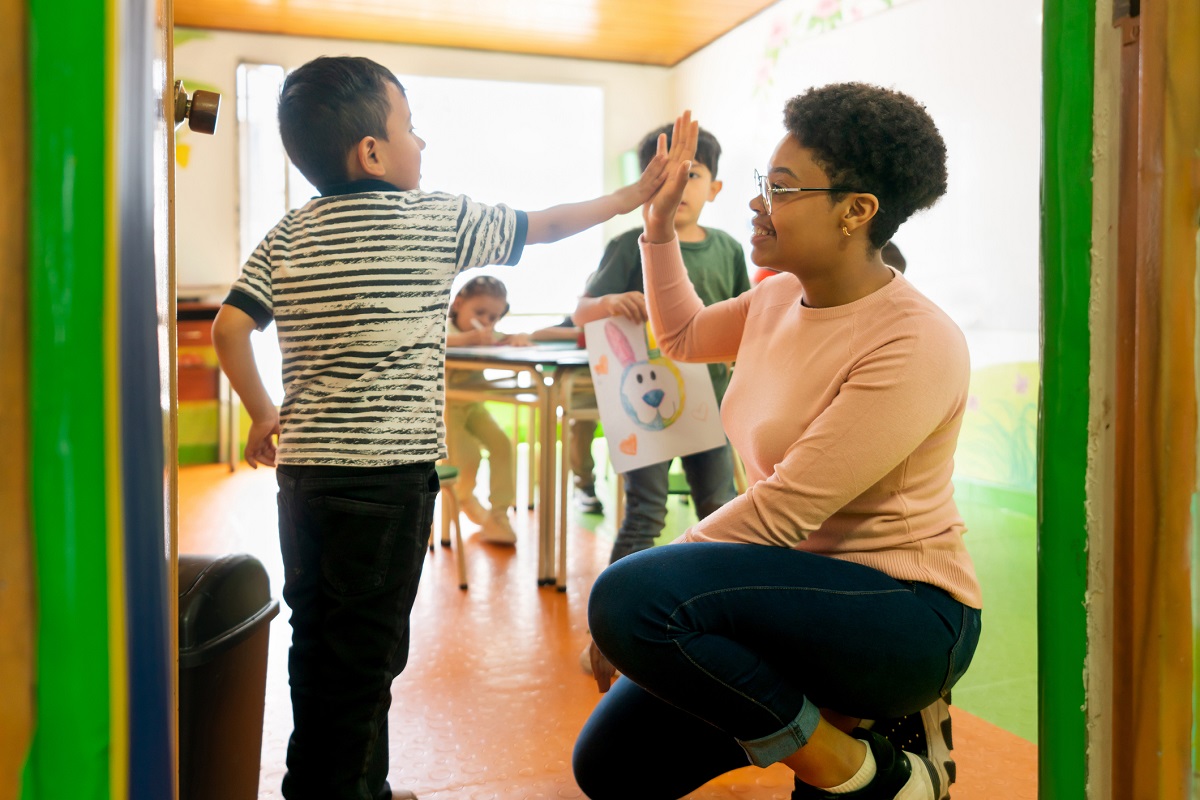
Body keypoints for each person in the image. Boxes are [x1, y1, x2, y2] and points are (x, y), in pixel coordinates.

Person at [211, 55, 671, 800]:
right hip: (387, 483)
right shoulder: (434, 219)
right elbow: (546, 226)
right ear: (373, 153)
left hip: (305, 479)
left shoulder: (285, 234)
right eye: (411, 128)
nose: (422, 144)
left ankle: (356, 783)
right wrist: (632, 194)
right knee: (368, 656)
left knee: (320, 639)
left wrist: (264, 413)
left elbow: (231, 329)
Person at [573, 87, 981, 800]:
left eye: (782, 188)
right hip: (786, 592)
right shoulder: (773, 299)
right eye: (765, 182)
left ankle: (862, 768)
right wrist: (659, 228)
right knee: (611, 766)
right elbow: (682, 336)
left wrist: (635, 606)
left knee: (632, 596)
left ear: (858, 211)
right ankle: (836, 733)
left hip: (901, 614)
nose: (758, 203)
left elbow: (782, 509)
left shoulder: (916, 340)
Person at [572, 121, 750, 562]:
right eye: (664, 174)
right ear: (645, 184)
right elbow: (582, 311)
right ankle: (617, 617)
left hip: (713, 404)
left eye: (691, 174)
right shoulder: (628, 245)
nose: (678, 185)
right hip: (642, 412)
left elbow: (747, 320)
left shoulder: (727, 249)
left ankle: (715, 603)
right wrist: (612, 301)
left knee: (720, 508)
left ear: (715, 187)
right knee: (645, 512)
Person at [445, 275, 579, 544]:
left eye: (494, 317)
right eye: (480, 312)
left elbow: (503, 338)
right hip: (446, 410)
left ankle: (498, 515)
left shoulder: (487, 333)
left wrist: (516, 337)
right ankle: (464, 499)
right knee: (468, 457)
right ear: (458, 303)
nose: (486, 321)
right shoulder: (447, 329)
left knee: (503, 445)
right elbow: (440, 342)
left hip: (473, 407)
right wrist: (470, 339)